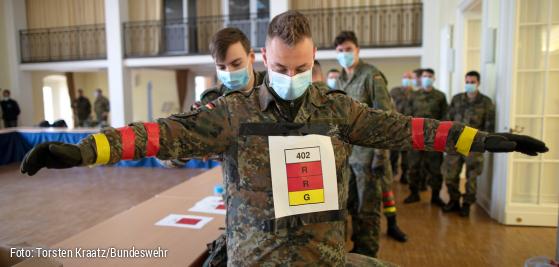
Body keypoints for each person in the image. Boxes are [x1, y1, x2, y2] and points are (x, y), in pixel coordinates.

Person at [20, 11, 548, 266]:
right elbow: (163, 134)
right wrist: (83, 150)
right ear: (261, 62)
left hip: (325, 260)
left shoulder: (338, 109)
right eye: (278, 66)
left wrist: (481, 140)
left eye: (301, 66)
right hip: (254, 261)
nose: (290, 74)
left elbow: (409, 130)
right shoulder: (232, 112)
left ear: (313, 62)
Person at [335, 31, 407, 255]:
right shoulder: (340, 80)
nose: (345, 54)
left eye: (348, 49)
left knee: (368, 209)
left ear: (357, 50)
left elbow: (386, 119)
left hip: (369, 159)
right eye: (340, 51)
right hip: (348, 158)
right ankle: (358, 248)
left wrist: (380, 157)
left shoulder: (372, 76)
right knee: (352, 205)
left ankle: (368, 253)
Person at [442, 71, 495, 217]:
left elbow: (489, 126)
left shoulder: (486, 102)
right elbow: (448, 120)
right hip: (455, 143)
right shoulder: (457, 99)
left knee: (472, 177)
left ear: (478, 83)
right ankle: (453, 200)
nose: (469, 84)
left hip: (474, 144)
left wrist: (484, 144)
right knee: (450, 175)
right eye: (467, 82)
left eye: (472, 82)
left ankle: (467, 204)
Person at [191, 27, 266, 110]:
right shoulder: (212, 99)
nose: (229, 72)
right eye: (221, 67)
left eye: (236, 64)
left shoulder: (271, 87)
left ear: (251, 57)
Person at [404, 68, 448, 206]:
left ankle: (435, 196)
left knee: (435, 168)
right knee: (413, 167)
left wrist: (442, 136)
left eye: (429, 76)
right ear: (420, 78)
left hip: (435, 138)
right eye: (424, 76)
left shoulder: (440, 96)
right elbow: (407, 115)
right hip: (416, 136)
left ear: (434, 79)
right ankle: (414, 193)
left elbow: (445, 117)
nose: (427, 78)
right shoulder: (413, 96)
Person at [389, 71, 415, 184]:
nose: (407, 79)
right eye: (405, 77)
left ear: (413, 80)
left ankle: (405, 175)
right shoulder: (394, 91)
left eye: (409, 77)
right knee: (392, 154)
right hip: (395, 127)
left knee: (407, 155)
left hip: (410, 128)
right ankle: (391, 174)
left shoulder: (416, 94)